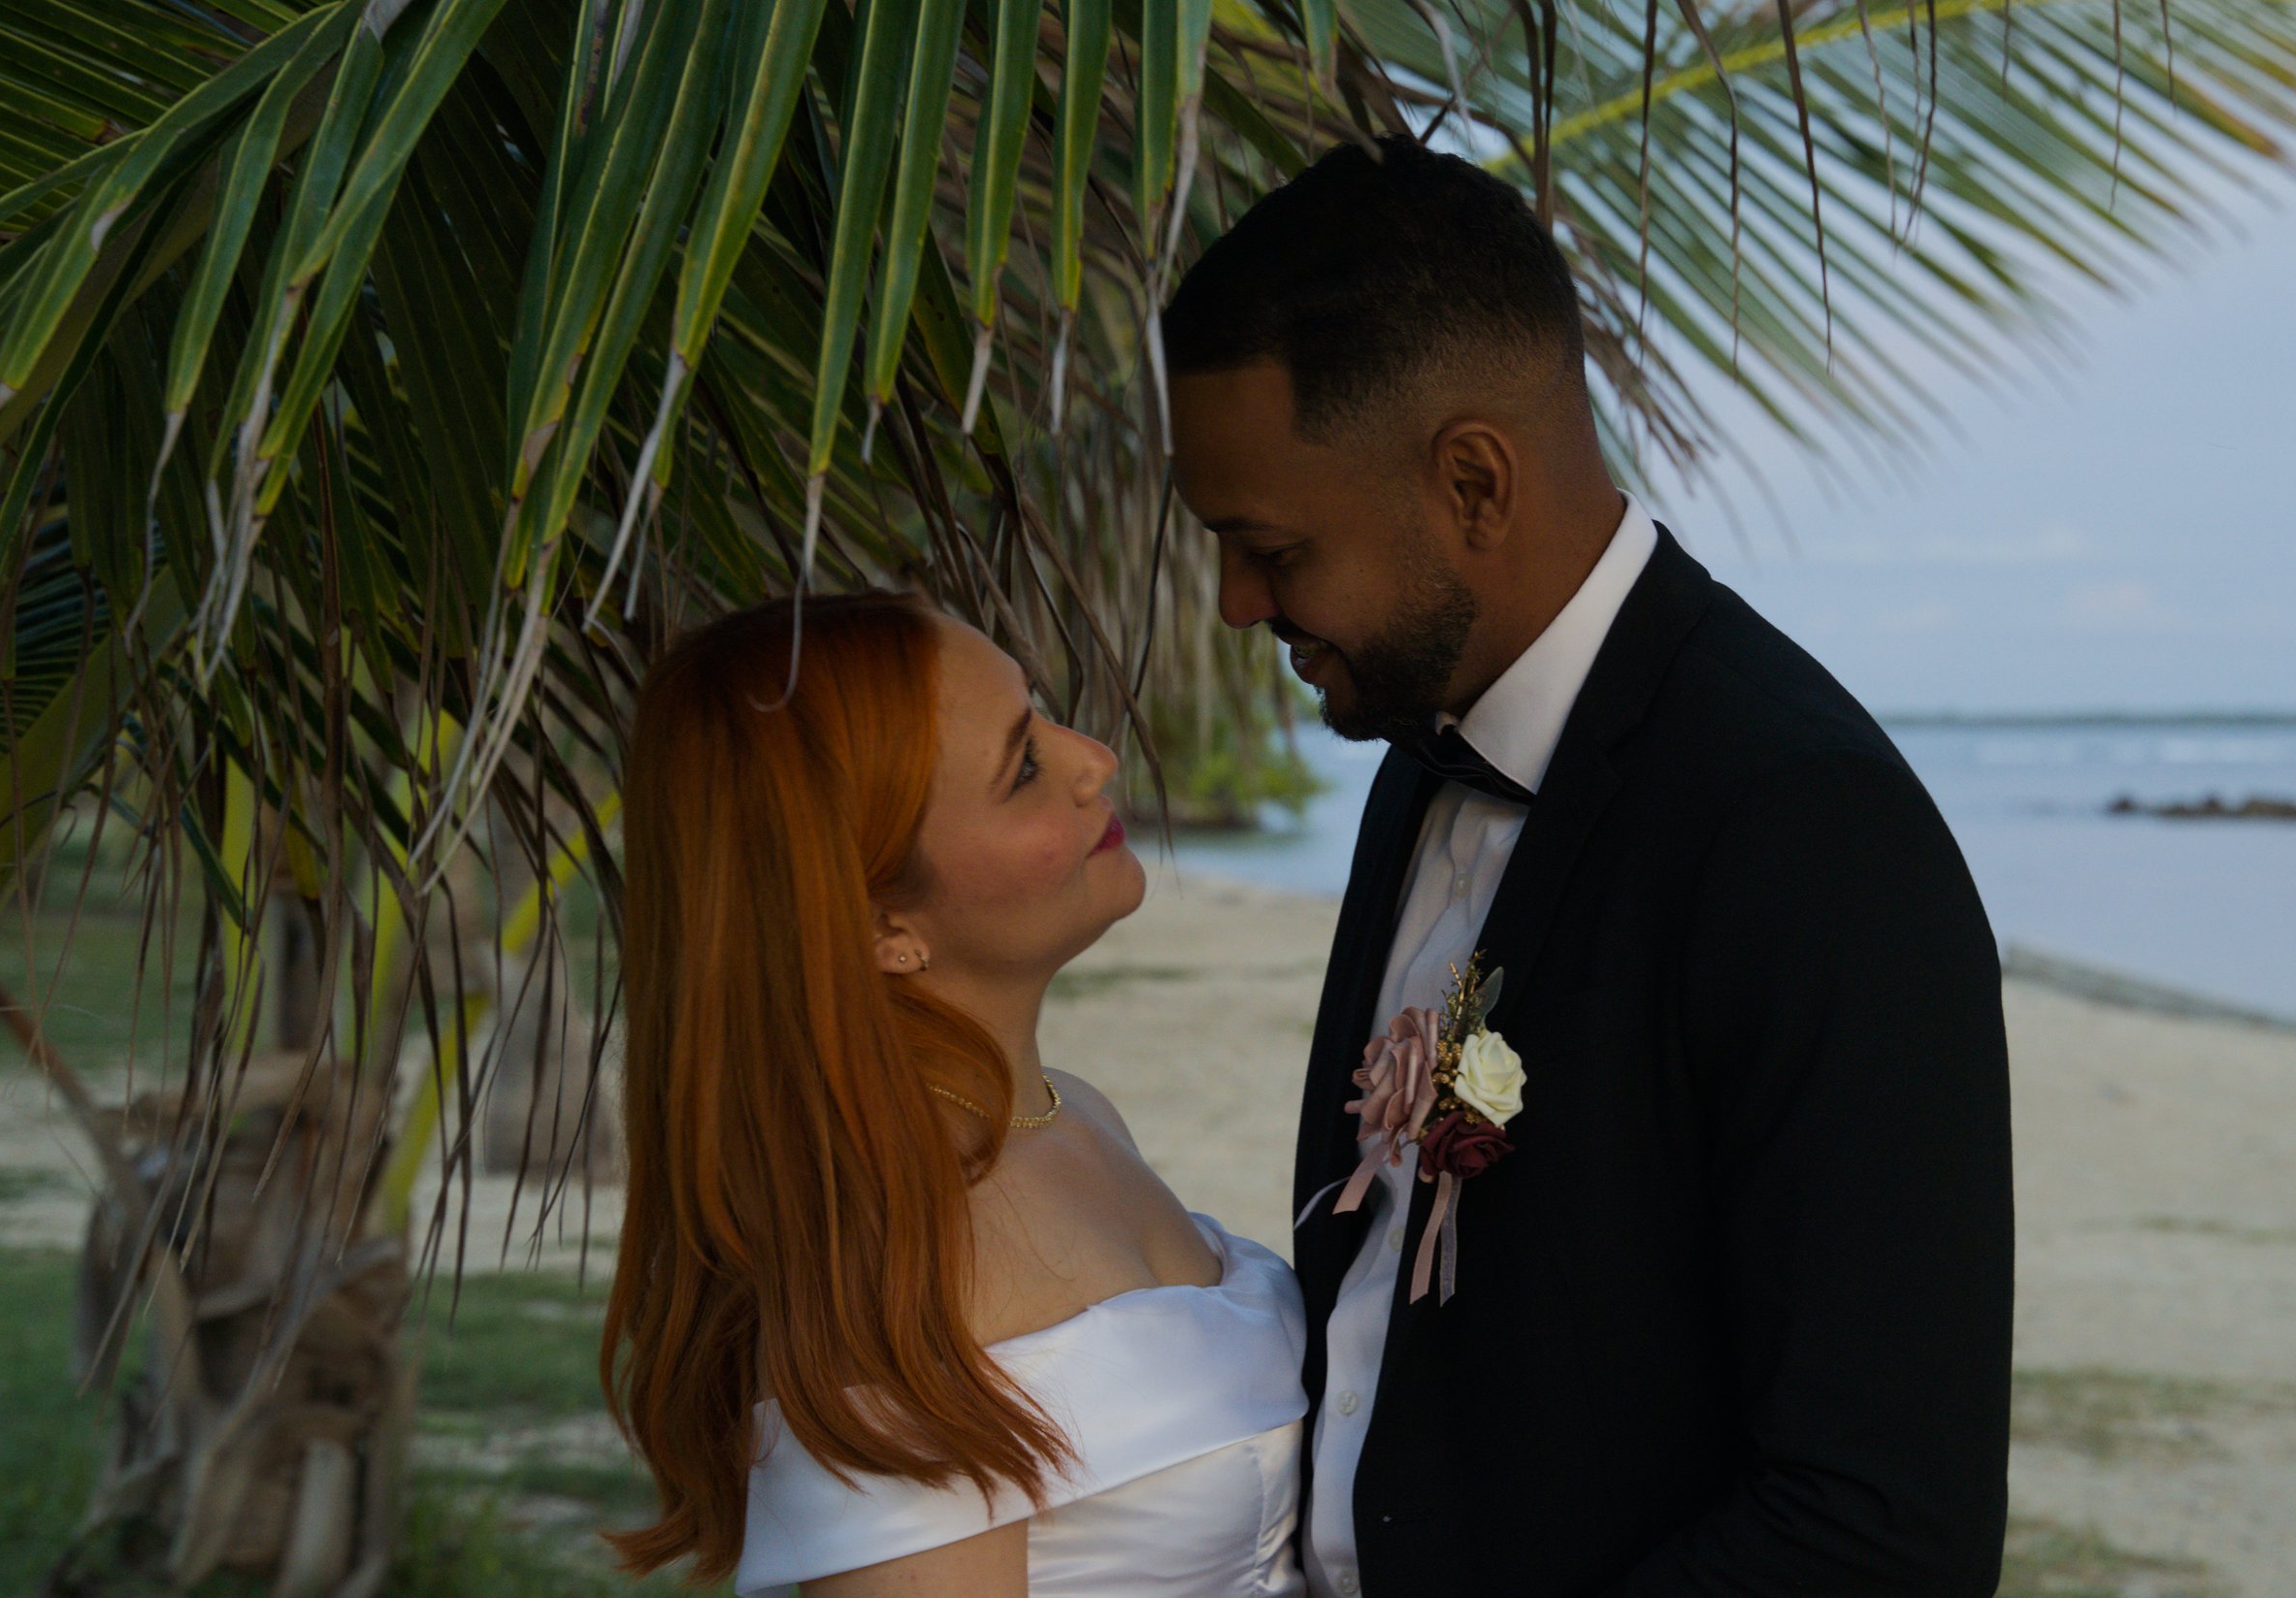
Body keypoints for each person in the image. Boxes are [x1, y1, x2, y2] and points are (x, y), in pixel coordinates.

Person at [1163, 136, 2016, 1596]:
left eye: (1271, 546)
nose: (1239, 602)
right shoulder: (1416, 761)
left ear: (1474, 482)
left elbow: (1883, 1526)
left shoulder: (1806, 830)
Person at [600, 593, 1309, 1598]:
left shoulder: (1068, 1109)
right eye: (1023, 769)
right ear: (881, 924)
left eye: (1044, 710)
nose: (1092, 758)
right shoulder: (894, 1256)